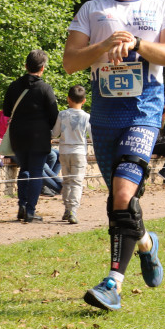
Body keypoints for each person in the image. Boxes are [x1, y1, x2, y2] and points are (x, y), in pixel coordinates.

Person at [63, 0, 165, 311]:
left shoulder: (162, 7)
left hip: (144, 111)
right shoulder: (92, 10)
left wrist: (136, 44)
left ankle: (112, 283)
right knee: (122, 200)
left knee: (121, 191)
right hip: (104, 116)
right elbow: (70, 62)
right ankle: (146, 243)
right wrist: (104, 46)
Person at [2, 49, 58, 223]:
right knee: (35, 173)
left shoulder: (14, 86)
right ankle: (31, 211)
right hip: (39, 137)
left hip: (18, 135)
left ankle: (22, 207)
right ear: (43, 68)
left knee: (24, 170)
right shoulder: (45, 88)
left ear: (26, 66)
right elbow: (54, 115)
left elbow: (6, 111)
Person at [52, 84, 91, 224]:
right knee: (76, 182)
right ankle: (72, 209)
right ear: (84, 100)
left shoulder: (62, 114)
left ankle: (67, 209)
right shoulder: (87, 117)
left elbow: (55, 133)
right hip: (79, 152)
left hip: (64, 151)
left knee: (67, 181)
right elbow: (92, 136)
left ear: (68, 99)